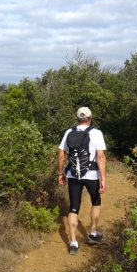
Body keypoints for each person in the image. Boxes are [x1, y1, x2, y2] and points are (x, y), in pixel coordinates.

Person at [58, 106, 107, 255]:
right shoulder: (96, 133)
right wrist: (103, 178)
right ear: (90, 118)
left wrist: (61, 173)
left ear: (77, 119)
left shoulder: (69, 132)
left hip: (73, 174)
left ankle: (73, 243)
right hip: (91, 175)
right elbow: (100, 157)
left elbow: (61, 154)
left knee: (74, 207)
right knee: (96, 202)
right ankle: (92, 233)